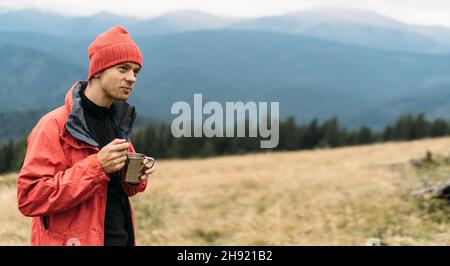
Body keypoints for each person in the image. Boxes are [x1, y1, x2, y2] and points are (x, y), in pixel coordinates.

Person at [17, 25, 155, 246]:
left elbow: (118, 191)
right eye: (123, 68)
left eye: (135, 71)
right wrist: (97, 166)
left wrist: (136, 177)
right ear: (98, 70)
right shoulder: (54, 125)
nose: (132, 78)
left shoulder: (119, 123)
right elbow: (30, 198)